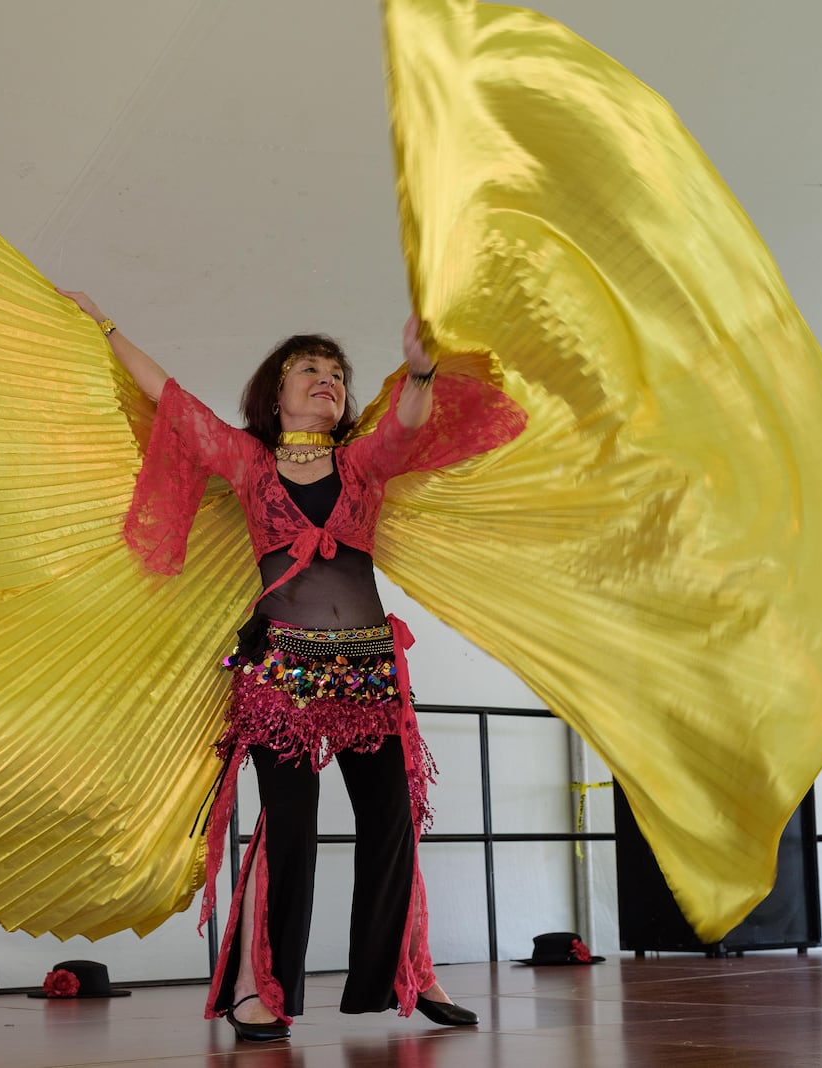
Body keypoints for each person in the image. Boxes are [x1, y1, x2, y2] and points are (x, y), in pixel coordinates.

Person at [58, 289, 527, 1042]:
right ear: (275, 394)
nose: (327, 379)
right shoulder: (249, 463)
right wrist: (106, 327)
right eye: (309, 369)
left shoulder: (362, 464)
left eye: (337, 372)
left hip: (370, 671)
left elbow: (406, 429)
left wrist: (418, 373)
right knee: (291, 829)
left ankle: (413, 973)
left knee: (393, 822)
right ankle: (257, 988)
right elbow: (172, 401)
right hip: (282, 675)